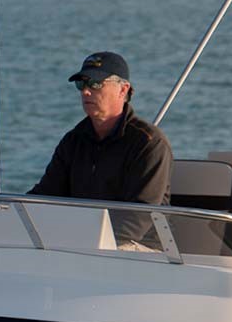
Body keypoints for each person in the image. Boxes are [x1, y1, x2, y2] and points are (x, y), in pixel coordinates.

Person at [29, 51, 173, 247]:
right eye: (81, 84)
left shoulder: (149, 143)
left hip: (142, 250)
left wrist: (84, 244)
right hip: (82, 244)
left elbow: (138, 217)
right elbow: (45, 195)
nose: (86, 92)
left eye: (95, 84)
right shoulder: (74, 140)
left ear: (123, 90)